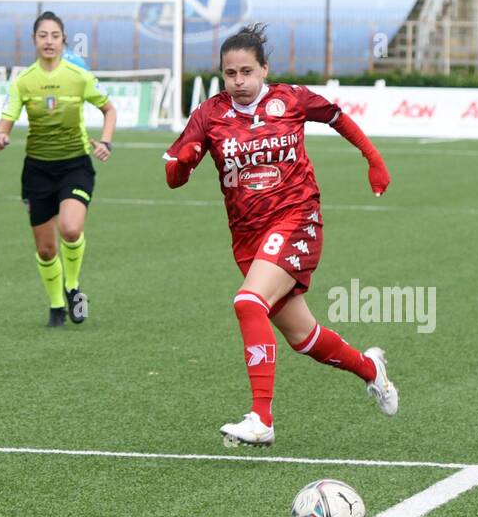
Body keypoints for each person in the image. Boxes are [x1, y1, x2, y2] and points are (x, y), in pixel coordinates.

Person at [163, 23, 397, 447]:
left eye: (246, 72)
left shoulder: (290, 99)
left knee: (247, 302)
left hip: (296, 219)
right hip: (248, 237)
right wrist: (185, 159)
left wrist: (373, 158)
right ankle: (370, 369)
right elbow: (172, 176)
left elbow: (339, 117)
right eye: (230, 73)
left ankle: (262, 417)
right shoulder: (208, 115)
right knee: (302, 338)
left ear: (264, 69)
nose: (238, 81)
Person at [0, 11, 117, 327]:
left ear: (63, 40)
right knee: (46, 250)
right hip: (37, 171)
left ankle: (73, 287)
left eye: (55, 35)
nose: (49, 41)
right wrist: (1, 134)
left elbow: (108, 109)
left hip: (75, 164)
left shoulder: (79, 76)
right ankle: (56, 306)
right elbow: (7, 117)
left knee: (71, 229)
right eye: (43, 35)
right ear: (34, 40)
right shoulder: (24, 81)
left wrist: (106, 141)